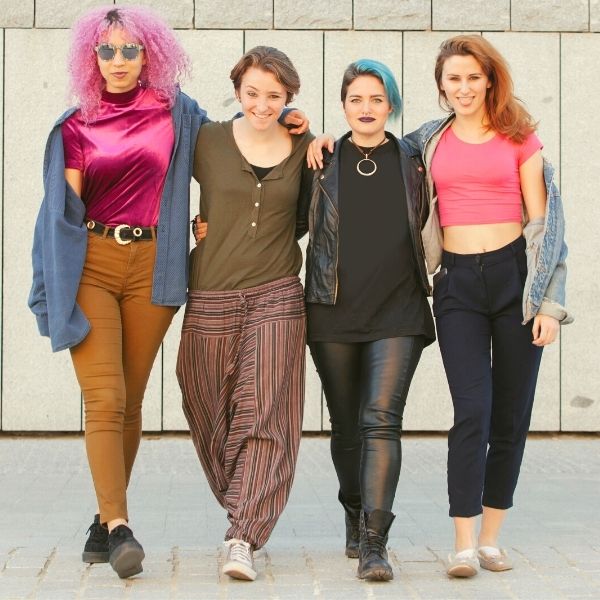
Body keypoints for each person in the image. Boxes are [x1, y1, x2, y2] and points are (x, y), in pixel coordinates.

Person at [27, 5, 308, 580]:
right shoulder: (78, 124)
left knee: (129, 398)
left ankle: (102, 520)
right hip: (94, 266)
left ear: (150, 53)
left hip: (155, 267)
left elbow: (242, 139)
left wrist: (296, 120)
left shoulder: (178, 113)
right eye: (107, 50)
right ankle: (121, 527)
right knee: (104, 398)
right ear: (92, 56)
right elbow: (62, 216)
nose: (119, 60)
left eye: (131, 49)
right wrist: (51, 286)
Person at [308, 35, 571, 579]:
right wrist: (307, 128)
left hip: (514, 280)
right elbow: (366, 144)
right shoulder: (426, 142)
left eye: (474, 77)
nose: (464, 87)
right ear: (440, 88)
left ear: (490, 80)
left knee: (511, 414)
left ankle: (492, 536)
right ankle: (462, 541)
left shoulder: (521, 139)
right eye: (454, 79)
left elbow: (547, 229)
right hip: (455, 284)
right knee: (472, 409)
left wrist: (549, 300)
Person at [177, 46, 314, 582]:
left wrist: (313, 130)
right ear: (238, 91)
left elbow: (311, 215)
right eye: (253, 93)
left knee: (266, 415)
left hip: (277, 295)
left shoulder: (305, 146)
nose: (262, 105)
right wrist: (192, 226)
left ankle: (243, 533)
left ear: (289, 99)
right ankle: (243, 497)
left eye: (274, 96)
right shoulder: (206, 140)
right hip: (209, 292)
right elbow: (161, 190)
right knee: (204, 398)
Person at [304, 59, 435, 582]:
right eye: (356, 99)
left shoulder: (415, 157)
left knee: (381, 419)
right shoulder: (321, 159)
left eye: (377, 99)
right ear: (343, 106)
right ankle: (354, 511)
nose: (366, 108)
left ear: (392, 106)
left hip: (399, 307)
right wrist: (298, 121)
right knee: (346, 426)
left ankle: (376, 542)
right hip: (332, 307)